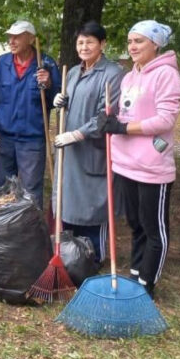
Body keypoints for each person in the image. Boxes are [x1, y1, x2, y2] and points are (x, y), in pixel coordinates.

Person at [97, 20, 180, 298]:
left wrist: (125, 128)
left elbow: (165, 119)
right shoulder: (130, 75)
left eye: (139, 41)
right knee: (135, 224)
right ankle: (135, 275)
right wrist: (112, 119)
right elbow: (128, 113)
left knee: (153, 228)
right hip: (126, 162)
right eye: (130, 41)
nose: (132, 46)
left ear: (155, 44)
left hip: (152, 165)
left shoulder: (166, 74)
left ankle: (147, 283)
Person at [51, 21, 124, 264]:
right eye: (80, 42)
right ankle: (73, 256)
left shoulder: (112, 74)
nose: (84, 46)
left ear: (102, 44)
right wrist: (61, 101)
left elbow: (107, 114)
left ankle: (96, 256)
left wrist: (78, 134)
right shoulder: (72, 72)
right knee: (68, 202)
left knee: (93, 206)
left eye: (90, 42)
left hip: (93, 151)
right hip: (69, 154)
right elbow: (72, 105)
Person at [0, 20, 60, 210]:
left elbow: (57, 101)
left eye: (17, 36)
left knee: (30, 190)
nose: (12, 40)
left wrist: (49, 84)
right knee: (2, 187)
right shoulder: (2, 63)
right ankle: (3, 229)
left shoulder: (46, 63)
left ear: (31, 39)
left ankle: (30, 231)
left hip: (32, 138)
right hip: (6, 136)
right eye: (10, 36)